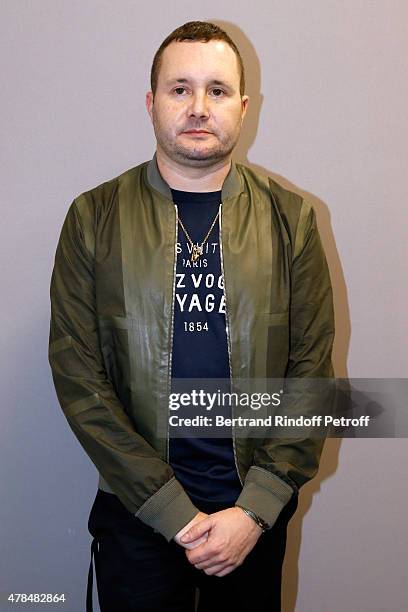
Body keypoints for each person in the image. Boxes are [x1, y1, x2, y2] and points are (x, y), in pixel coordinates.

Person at [48, 20, 335, 612]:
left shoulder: (293, 220)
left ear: (244, 107)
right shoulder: (92, 218)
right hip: (137, 517)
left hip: (250, 522)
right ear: (152, 104)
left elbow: (313, 375)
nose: (199, 107)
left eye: (217, 90)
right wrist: (171, 512)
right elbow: (79, 379)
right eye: (180, 89)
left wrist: (256, 508)